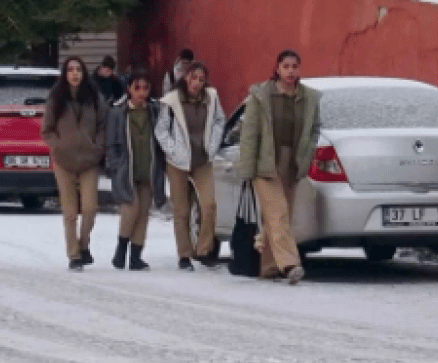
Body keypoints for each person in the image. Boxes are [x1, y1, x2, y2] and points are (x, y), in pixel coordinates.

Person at [236, 49, 322, 285]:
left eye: (295, 66)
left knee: (279, 217)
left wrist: (307, 155)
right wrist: (247, 169)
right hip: (265, 163)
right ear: (276, 69)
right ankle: (290, 263)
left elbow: (314, 129)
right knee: (279, 213)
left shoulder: (308, 98)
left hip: (291, 162)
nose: (291, 71)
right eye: (286, 66)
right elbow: (250, 134)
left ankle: (270, 267)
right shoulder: (261, 96)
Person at [155, 61, 226, 271]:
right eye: (193, 78)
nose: (196, 83)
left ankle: (204, 250)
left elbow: (220, 121)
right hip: (177, 162)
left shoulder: (211, 98)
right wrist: (173, 150)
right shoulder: (171, 101)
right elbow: (161, 130)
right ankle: (184, 254)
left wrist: (212, 146)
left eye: (201, 79)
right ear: (186, 77)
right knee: (182, 210)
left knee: (209, 205)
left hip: (202, 159)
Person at [41, 57, 108, 271]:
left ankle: (84, 244)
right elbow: (47, 130)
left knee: (89, 209)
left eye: (78, 69)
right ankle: (74, 254)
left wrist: (97, 147)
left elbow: (102, 126)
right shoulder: (56, 98)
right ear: (65, 74)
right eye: (70, 70)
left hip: (89, 161)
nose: (75, 74)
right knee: (70, 213)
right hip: (64, 161)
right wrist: (57, 147)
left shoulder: (95, 98)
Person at [105, 69, 166, 271]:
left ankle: (136, 256)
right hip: (126, 172)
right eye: (137, 88)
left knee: (143, 214)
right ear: (129, 89)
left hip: (148, 171)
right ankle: (120, 250)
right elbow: (111, 144)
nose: (141, 92)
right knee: (130, 210)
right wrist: (114, 165)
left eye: (145, 88)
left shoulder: (155, 111)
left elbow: (162, 139)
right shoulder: (118, 112)